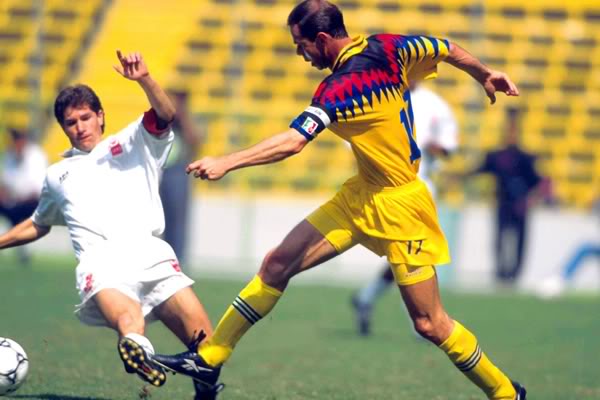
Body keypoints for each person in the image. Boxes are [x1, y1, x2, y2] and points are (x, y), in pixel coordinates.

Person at [154, 2, 526, 399]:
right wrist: (484, 72)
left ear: (323, 39)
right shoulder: (389, 45)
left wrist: (227, 161)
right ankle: (210, 358)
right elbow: (446, 47)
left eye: (302, 46)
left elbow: (295, 142)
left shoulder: (343, 86)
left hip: (401, 205)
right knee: (276, 264)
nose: (300, 54)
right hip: (361, 194)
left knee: (430, 324)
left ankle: (505, 393)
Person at [0, 51, 221, 400]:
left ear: (100, 116)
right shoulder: (57, 176)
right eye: (71, 123)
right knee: (130, 323)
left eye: (86, 118)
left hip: (151, 254)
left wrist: (145, 79)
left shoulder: (133, 142)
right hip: (100, 265)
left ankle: (203, 388)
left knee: (210, 348)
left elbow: (165, 115)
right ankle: (138, 351)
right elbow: (38, 224)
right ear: (63, 129)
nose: (80, 127)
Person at [351, 81, 458, 336]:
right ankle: (420, 321)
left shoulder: (435, 104)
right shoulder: (377, 98)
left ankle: (367, 298)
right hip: (388, 188)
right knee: (411, 253)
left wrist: (435, 147)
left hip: (421, 186)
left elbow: (448, 146)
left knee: (407, 253)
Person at [469, 107, 547, 285]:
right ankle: (501, 273)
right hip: (503, 203)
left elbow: (539, 182)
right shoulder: (497, 156)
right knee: (499, 239)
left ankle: (514, 274)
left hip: (520, 205)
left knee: (520, 241)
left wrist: (531, 200)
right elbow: (479, 170)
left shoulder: (525, 157)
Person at [159, 89, 203, 268]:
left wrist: (182, 115)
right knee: (157, 221)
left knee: (177, 222)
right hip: (158, 171)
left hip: (178, 172)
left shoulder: (189, 120)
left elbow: (195, 140)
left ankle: (177, 263)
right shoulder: (161, 121)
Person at [0, 128, 48, 264]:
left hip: (35, 201)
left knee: (18, 211)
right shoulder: (9, 156)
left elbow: (39, 189)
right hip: (14, 201)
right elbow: (6, 184)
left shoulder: (37, 155)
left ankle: (21, 243)